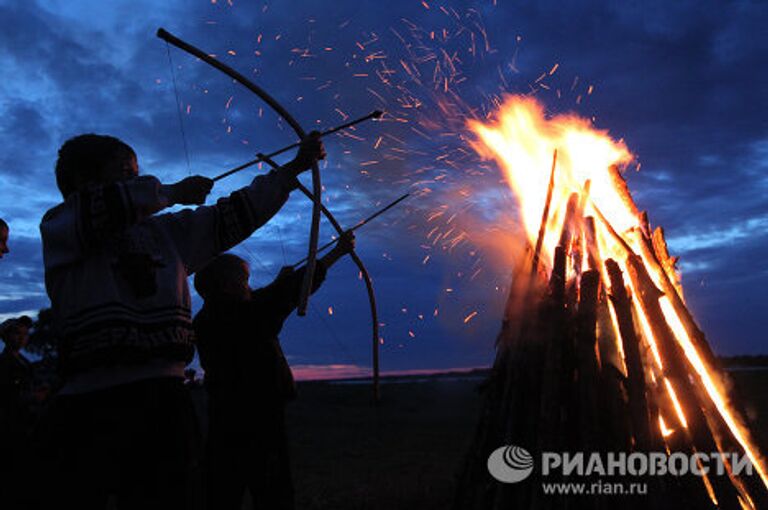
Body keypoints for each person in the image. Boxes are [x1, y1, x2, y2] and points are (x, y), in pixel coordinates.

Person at [38, 132, 324, 510]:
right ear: (83, 181)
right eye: (125, 172)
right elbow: (106, 207)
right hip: (91, 403)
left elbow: (233, 214)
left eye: (137, 173)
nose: (138, 180)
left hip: (164, 400)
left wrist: (293, 169)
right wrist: (172, 192)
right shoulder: (63, 225)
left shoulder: (166, 234)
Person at [193, 231, 355, 510]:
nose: (249, 287)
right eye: (244, 281)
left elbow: (265, 299)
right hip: (258, 421)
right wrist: (337, 252)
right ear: (228, 285)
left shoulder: (207, 319)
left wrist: (279, 284)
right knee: (272, 495)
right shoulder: (240, 315)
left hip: (225, 420)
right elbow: (286, 292)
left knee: (222, 493)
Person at [0, 316, 35, 509]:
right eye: (17, 333)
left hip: (27, 426)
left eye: (25, 333)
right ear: (5, 337)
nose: (22, 338)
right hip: (12, 430)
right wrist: (32, 399)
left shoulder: (25, 363)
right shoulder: (4, 365)